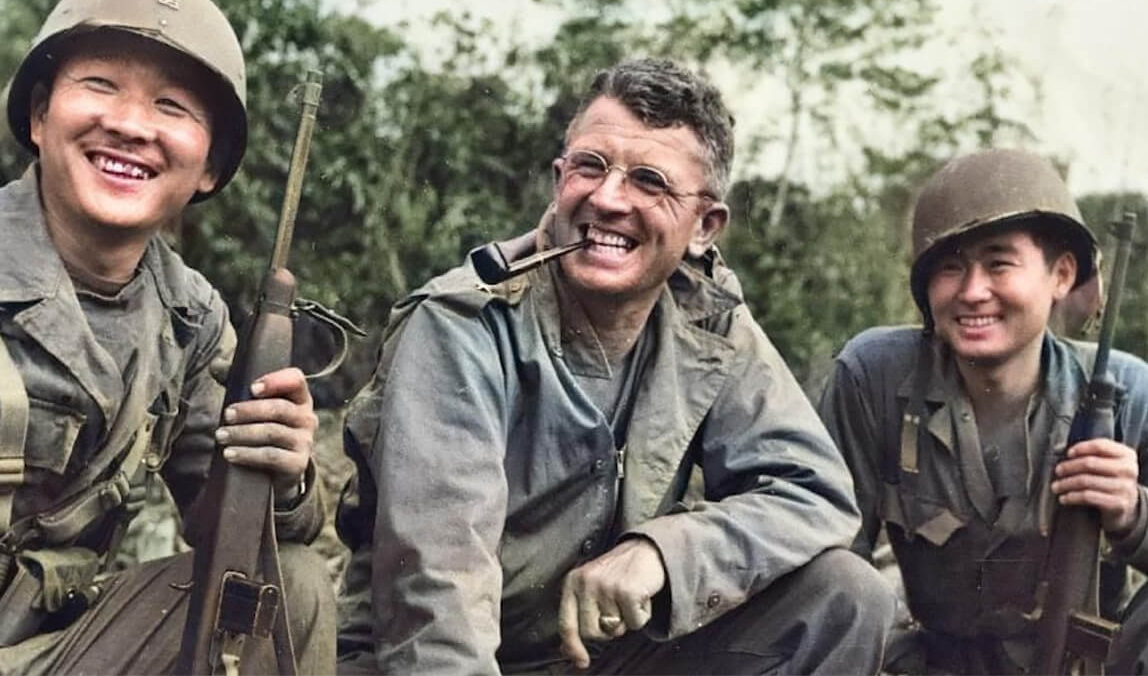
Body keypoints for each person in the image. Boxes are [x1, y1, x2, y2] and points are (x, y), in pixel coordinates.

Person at [334, 58, 892, 675]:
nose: (606, 198)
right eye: (590, 166)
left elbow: (815, 494)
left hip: (595, 657)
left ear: (705, 227)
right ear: (559, 180)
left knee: (845, 596)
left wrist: (665, 552)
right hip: (442, 659)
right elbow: (435, 603)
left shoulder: (707, 322)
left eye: (649, 181)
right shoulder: (463, 324)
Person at [0, 0, 335, 674]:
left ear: (210, 165)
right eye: (99, 85)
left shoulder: (190, 320)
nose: (129, 124)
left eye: (171, 106)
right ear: (39, 116)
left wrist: (283, 474)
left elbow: (235, 532)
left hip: (50, 650)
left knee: (284, 587)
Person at [819, 148, 1148, 674]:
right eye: (950, 267)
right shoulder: (875, 376)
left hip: (1086, 666)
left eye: (999, 263)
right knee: (835, 581)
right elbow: (825, 553)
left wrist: (1139, 513)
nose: (973, 291)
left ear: (1060, 275)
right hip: (933, 665)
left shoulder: (1128, 393)